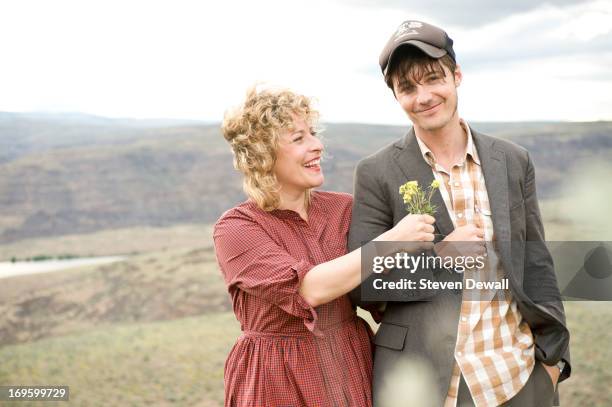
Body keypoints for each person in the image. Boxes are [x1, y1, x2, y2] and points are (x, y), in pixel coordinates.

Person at [348, 20, 571, 406]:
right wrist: (440, 258)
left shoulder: (513, 161)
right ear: (397, 97)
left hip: (514, 378)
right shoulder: (376, 172)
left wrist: (553, 364)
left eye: (433, 78)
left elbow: (536, 262)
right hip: (425, 384)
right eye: (408, 88)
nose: (424, 96)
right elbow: (363, 285)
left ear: (456, 76)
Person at [213, 86, 435, 407]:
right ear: (261, 153)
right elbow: (308, 290)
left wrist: (455, 250)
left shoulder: (344, 209)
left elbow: (386, 290)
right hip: (277, 378)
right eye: (298, 138)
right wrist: (392, 241)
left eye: (313, 134)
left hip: (350, 363)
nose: (317, 146)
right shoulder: (236, 229)